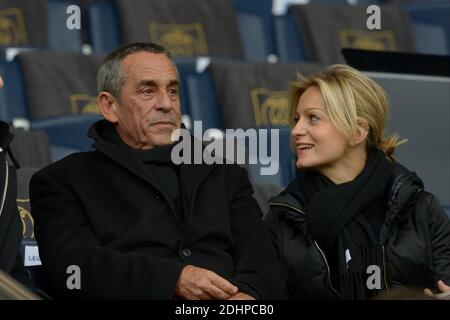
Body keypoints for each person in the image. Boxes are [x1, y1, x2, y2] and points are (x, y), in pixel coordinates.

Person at [29, 43, 285, 300]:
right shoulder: (62, 181)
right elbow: (73, 271)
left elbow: (263, 261)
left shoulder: (225, 172)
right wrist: (173, 279)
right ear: (109, 106)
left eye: (173, 91)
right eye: (148, 91)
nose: (166, 104)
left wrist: (249, 296)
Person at [264, 64, 450, 300]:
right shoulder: (283, 218)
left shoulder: (420, 208)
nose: (296, 130)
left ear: (358, 132)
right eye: (297, 119)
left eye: (313, 118)